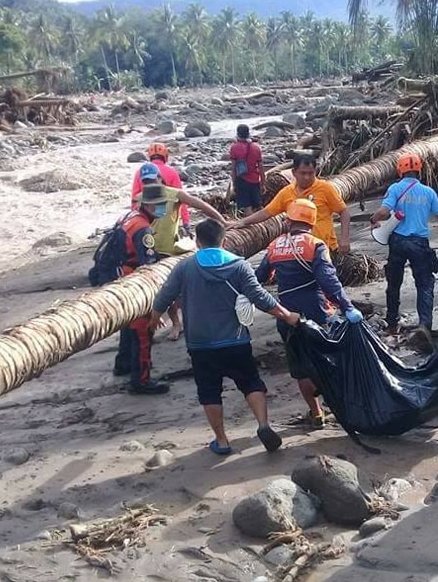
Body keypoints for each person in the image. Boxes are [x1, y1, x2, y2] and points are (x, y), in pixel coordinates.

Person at [151, 219, 300, 456]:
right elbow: (260, 297)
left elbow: (164, 296)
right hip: (236, 339)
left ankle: (221, 441)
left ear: (197, 242)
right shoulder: (239, 266)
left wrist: (153, 321)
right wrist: (287, 315)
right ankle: (263, 425)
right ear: (223, 240)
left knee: (209, 391)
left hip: (200, 343)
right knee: (250, 382)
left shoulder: (185, 267)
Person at [255, 199, 364, 428]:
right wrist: (347, 307)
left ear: (288, 221)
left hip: (287, 316)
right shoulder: (315, 245)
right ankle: (341, 406)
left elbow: (259, 278)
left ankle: (316, 413)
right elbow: (329, 282)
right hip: (317, 313)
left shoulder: (274, 247)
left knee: (301, 367)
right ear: (312, 222)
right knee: (330, 359)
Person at [135, 163, 229, 341]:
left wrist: (222, 221)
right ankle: (176, 323)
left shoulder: (174, 194)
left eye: (152, 180)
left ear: (160, 178)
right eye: (145, 181)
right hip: (153, 251)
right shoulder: (141, 199)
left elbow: (201, 205)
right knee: (165, 290)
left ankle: (190, 320)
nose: (149, 184)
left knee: (183, 288)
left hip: (174, 250)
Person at [370, 153, 438, 340]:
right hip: (419, 242)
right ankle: (424, 325)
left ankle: (392, 324)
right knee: (424, 284)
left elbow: (383, 212)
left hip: (398, 241)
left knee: (394, 283)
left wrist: (373, 219)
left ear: (400, 170)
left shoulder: (396, 188)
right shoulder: (429, 192)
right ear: (418, 171)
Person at [231, 153, 351, 255]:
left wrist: (344, 239)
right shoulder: (287, 193)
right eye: (303, 173)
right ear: (294, 172)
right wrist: (242, 222)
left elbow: (344, 211)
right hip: (299, 250)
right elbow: (266, 212)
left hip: (325, 249)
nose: (307, 177)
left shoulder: (325, 188)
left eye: (311, 173)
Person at [113, 182, 170, 395]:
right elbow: (147, 267)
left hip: (118, 278)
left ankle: (123, 364)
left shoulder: (128, 218)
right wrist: (155, 305)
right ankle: (141, 380)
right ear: (150, 206)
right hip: (134, 282)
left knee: (127, 324)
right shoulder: (143, 229)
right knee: (142, 330)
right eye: (160, 205)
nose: (163, 208)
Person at [132, 143, 191, 229]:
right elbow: (182, 200)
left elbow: (134, 201)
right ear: (165, 156)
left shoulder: (140, 172)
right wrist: (186, 222)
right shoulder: (172, 172)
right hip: (168, 218)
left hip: (147, 218)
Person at [225, 124, 264, 216]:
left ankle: (252, 227)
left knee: (247, 207)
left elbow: (233, 168)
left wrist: (234, 184)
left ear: (238, 134)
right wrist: (263, 182)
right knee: (258, 205)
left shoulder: (234, 148)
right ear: (248, 134)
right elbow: (261, 167)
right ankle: (262, 225)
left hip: (242, 180)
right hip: (255, 179)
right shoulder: (256, 147)